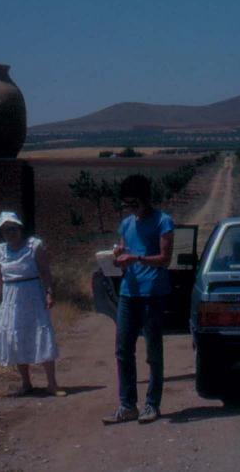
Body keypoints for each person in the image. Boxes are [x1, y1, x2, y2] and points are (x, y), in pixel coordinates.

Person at [102, 174, 174, 425]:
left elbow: (165, 259)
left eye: (134, 203)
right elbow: (123, 256)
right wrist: (118, 256)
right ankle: (127, 405)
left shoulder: (163, 221)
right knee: (123, 350)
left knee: (153, 351)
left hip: (152, 293)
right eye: (127, 204)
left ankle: (152, 404)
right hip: (128, 292)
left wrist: (137, 259)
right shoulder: (126, 224)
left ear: (146, 198)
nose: (131, 208)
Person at [0, 211, 65, 397]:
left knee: (41, 336)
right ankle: (26, 383)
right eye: (6, 230)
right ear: (1, 233)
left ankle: (52, 384)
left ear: (20, 229)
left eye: (13, 229)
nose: (10, 233)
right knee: (16, 339)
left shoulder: (33, 247)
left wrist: (49, 293)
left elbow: (45, 271)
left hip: (32, 296)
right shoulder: (1, 252)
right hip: (11, 300)